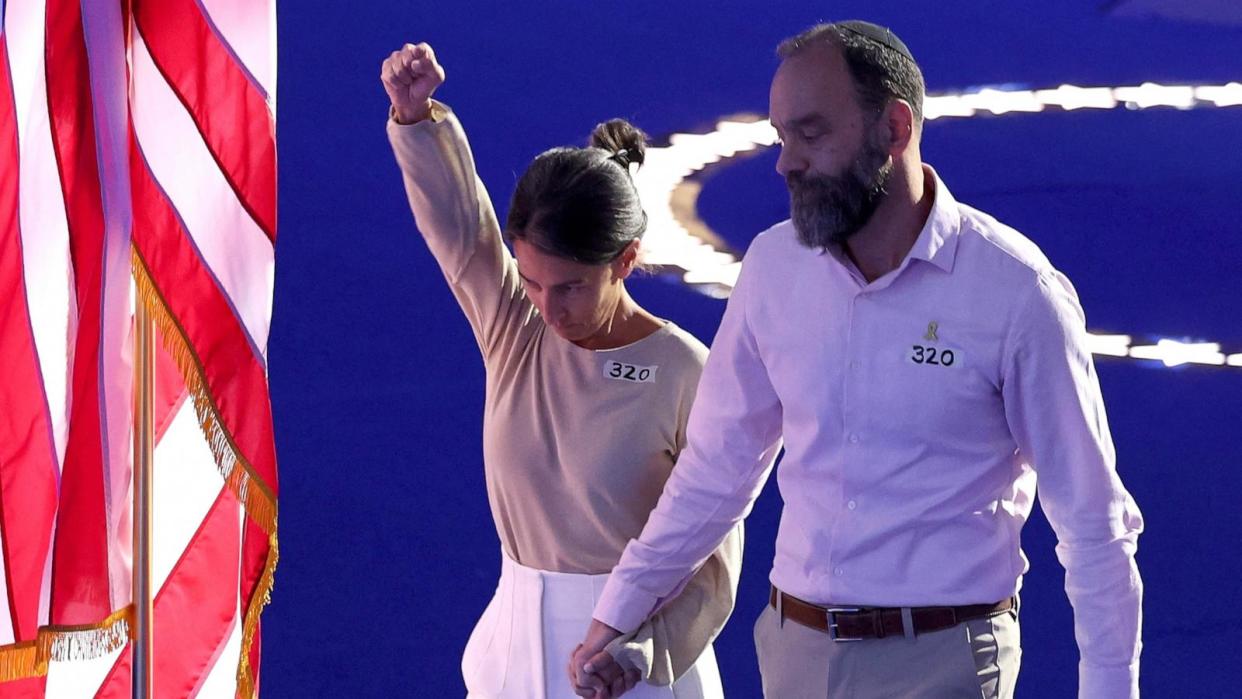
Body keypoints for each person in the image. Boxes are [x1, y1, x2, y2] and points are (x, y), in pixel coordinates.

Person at [572, 20, 1143, 699]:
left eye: (811, 134)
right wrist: (619, 612)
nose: (786, 162)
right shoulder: (773, 268)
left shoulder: (1017, 294)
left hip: (945, 663)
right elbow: (715, 469)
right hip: (793, 652)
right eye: (782, 136)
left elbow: (1093, 521)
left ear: (894, 129)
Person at [380, 42, 742, 698]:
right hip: (510, 661)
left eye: (570, 286)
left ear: (625, 260)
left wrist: (637, 653)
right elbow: (460, 230)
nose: (547, 306)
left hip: (636, 671)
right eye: (532, 281)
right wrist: (416, 119)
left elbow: (714, 571)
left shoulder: (689, 372)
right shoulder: (514, 327)